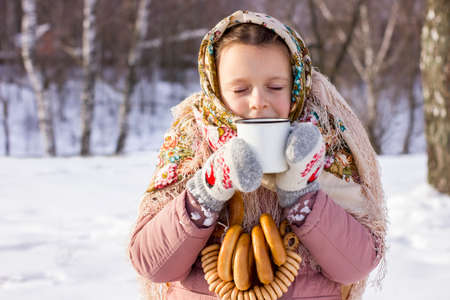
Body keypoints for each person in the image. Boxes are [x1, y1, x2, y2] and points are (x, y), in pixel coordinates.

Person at [128, 10, 387, 300]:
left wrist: (303, 197)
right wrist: (209, 188)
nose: (258, 103)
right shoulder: (193, 140)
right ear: (215, 89)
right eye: (240, 89)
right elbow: (152, 264)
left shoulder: (327, 139)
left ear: (296, 85)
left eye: (275, 87)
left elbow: (356, 266)